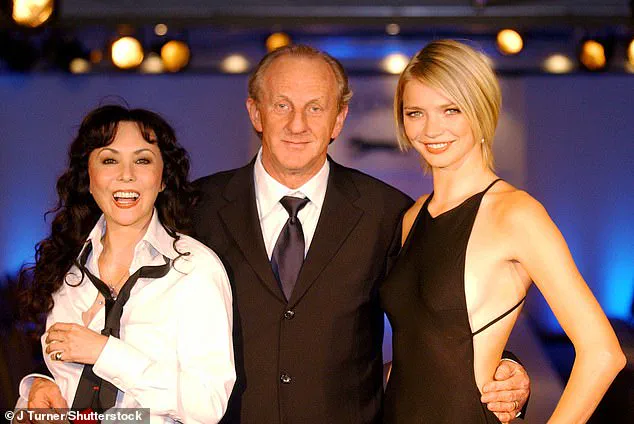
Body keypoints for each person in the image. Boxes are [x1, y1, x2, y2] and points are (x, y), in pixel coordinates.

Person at [190, 44, 529, 423]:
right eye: (282, 105)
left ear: (339, 120)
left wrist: (504, 367)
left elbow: (437, 317)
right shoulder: (194, 209)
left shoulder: (388, 213)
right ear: (256, 112)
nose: (297, 125)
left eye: (315, 108)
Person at [380, 39, 626, 423]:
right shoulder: (412, 216)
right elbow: (420, 350)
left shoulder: (516, 214)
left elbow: (603, 353)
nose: (431, 128)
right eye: (415, 113)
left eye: (451, 109)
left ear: (481, 110)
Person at [16, 105, 236, 423]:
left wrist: (106, 353)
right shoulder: (67, 265)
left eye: (142, 160)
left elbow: (207, 404)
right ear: (88, 178)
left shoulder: (195, 270)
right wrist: (37, 388)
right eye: (110, 160)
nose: (126, 174)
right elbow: (65, 377)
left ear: (163, 179)